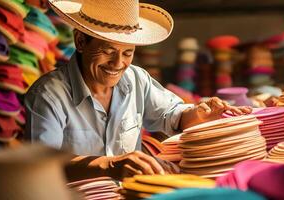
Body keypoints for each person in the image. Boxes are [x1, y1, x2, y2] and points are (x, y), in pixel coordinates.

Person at [25, 0, 251, 180]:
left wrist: (199, 115)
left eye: (127, 53)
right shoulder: (48, 95)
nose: (118, 64)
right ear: (81, 41)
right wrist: (111, 165)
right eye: (108, 51)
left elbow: (171, 116)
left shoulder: (136, 79)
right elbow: (42, 165)